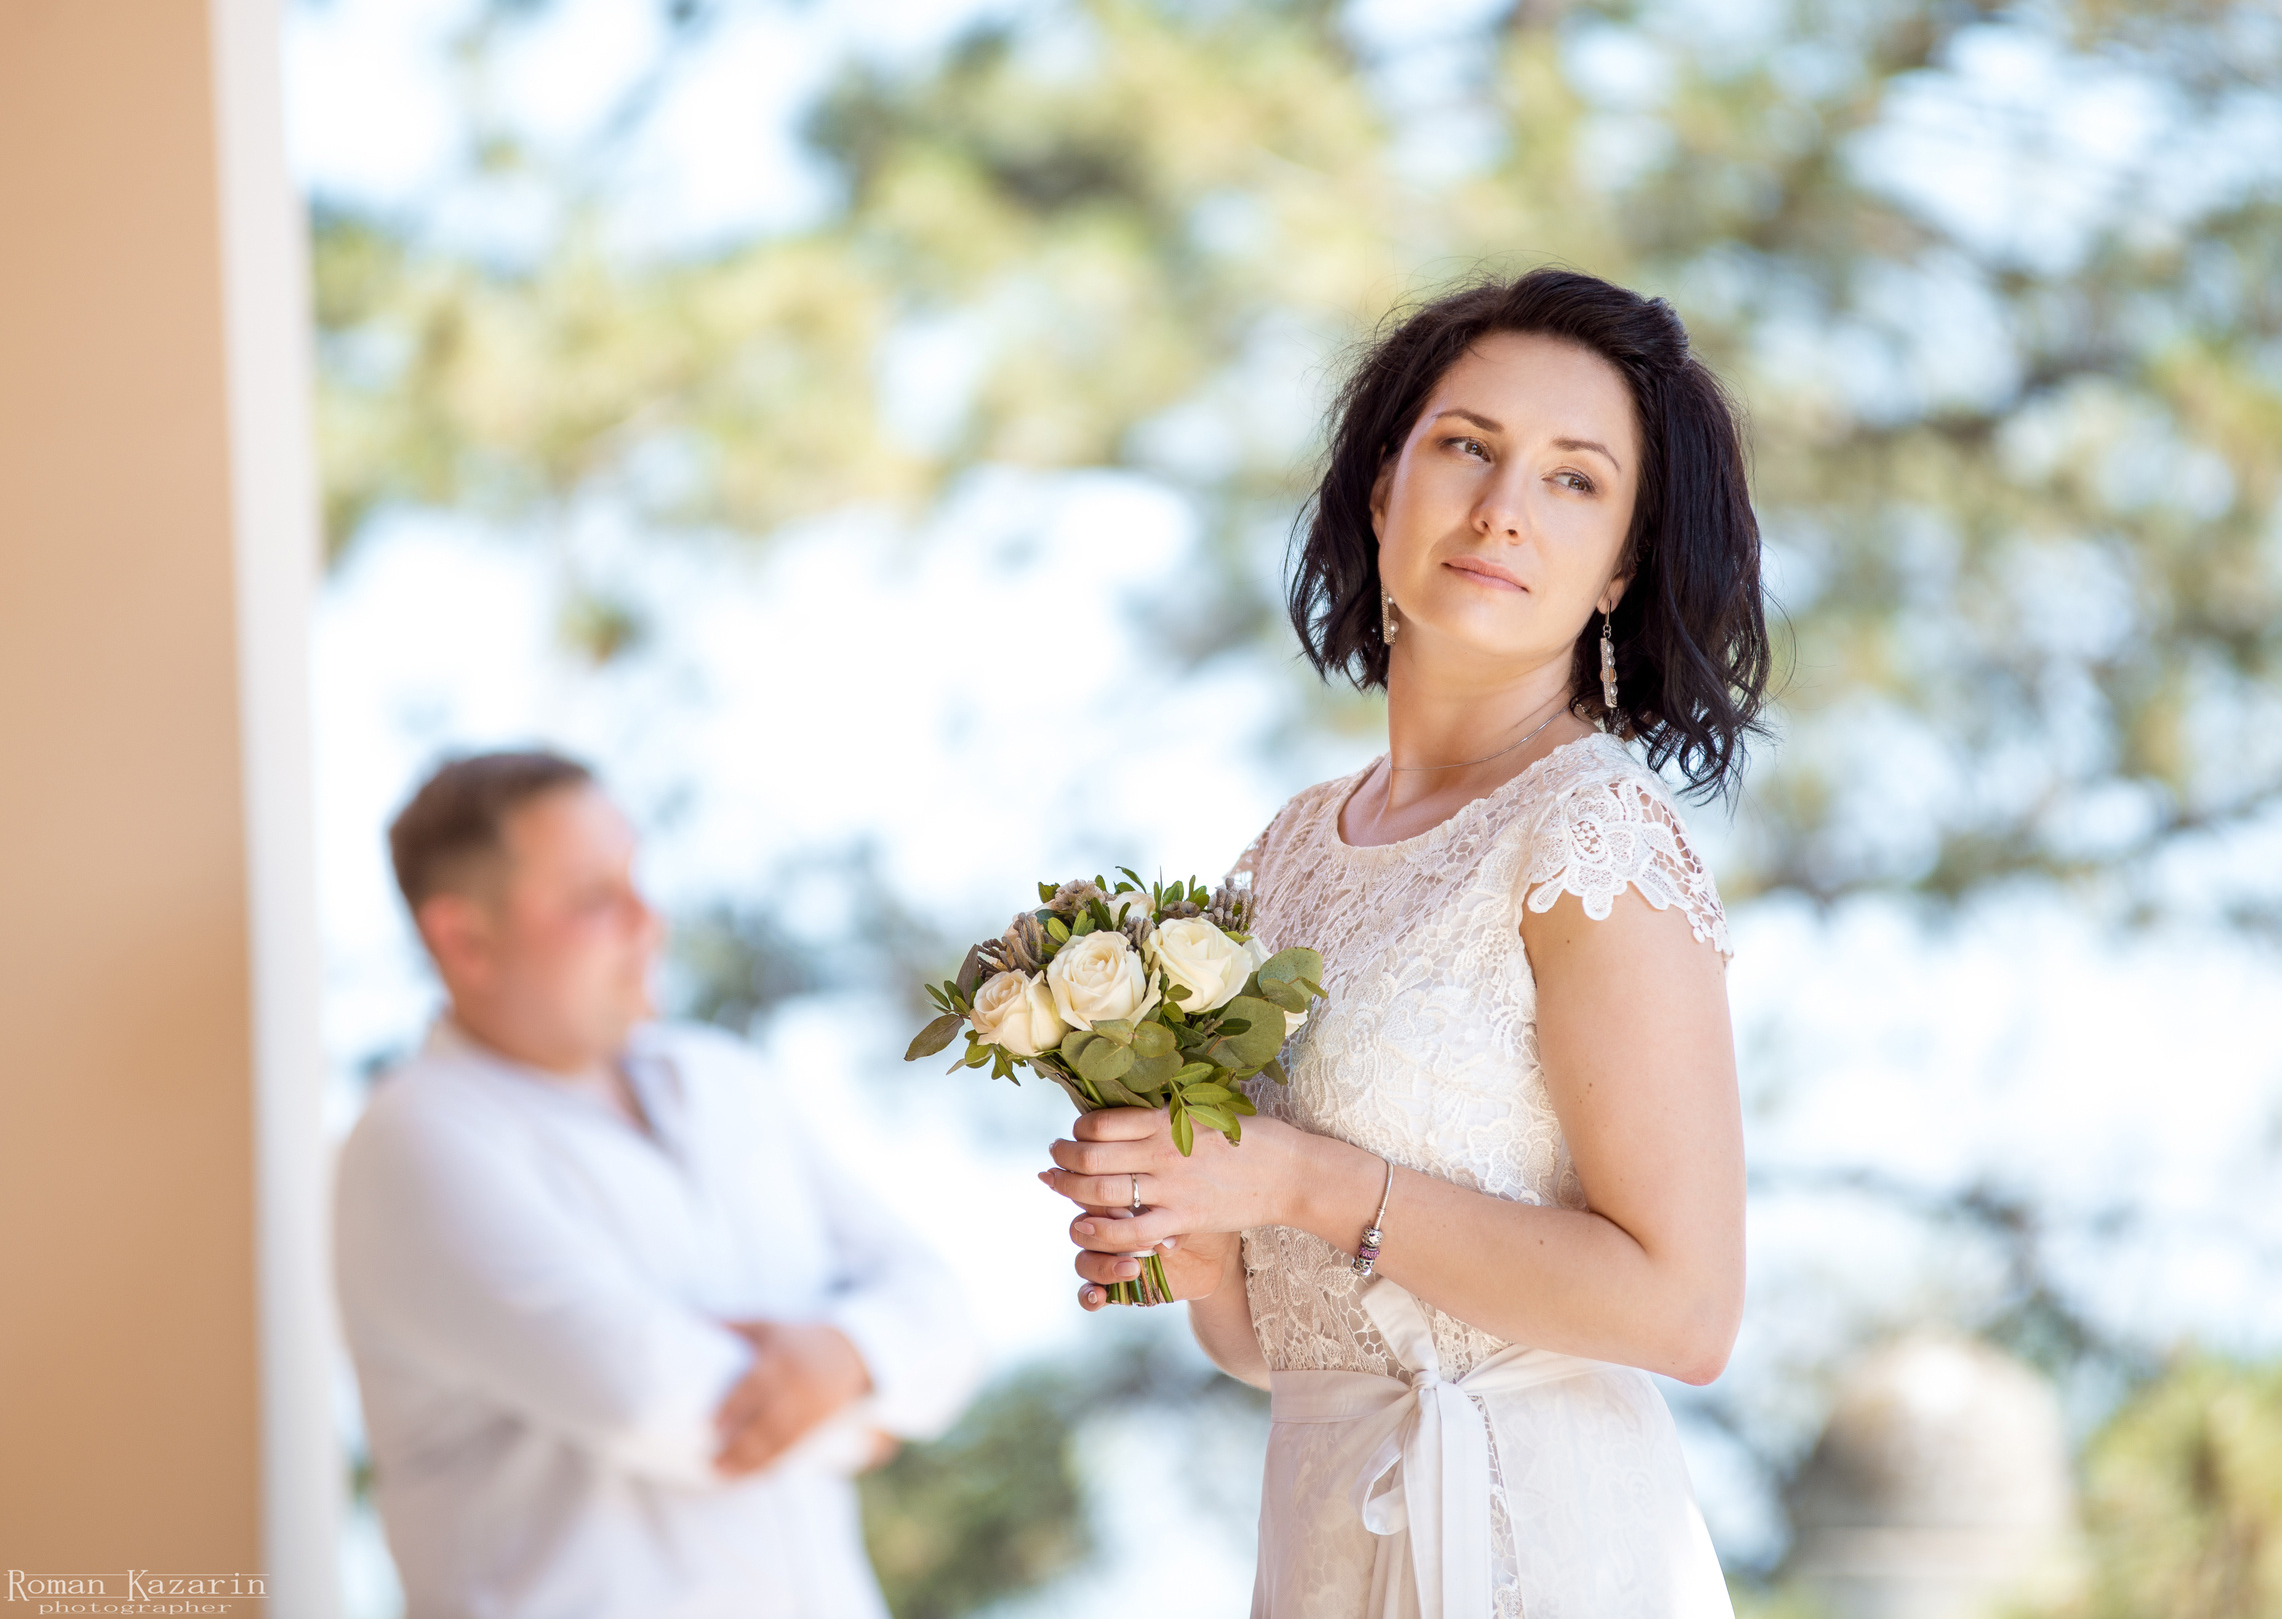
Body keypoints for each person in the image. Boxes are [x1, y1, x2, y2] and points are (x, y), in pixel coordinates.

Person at [1040, 270, 1765, 1616]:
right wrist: (1191, 1225)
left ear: (1621, 565)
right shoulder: (1294, 850)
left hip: (1540, 1550)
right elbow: (1278, 1340)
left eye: (1573, 480)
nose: (1501, 508)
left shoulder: (1591, 836)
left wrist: (1303, 1181)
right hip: (1326, 1535)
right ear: (1383, 487)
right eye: (1468, 447)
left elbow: (1685, 1311)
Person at [336, 750, 980, 1619]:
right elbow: (655, 1402)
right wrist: (871, 1401)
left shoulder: (724, 1081)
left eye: (637, 879)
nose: (649, 921)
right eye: (594, 898)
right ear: (465, 939)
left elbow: (944, 1315)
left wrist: (852, 1355)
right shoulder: (414, 1139)